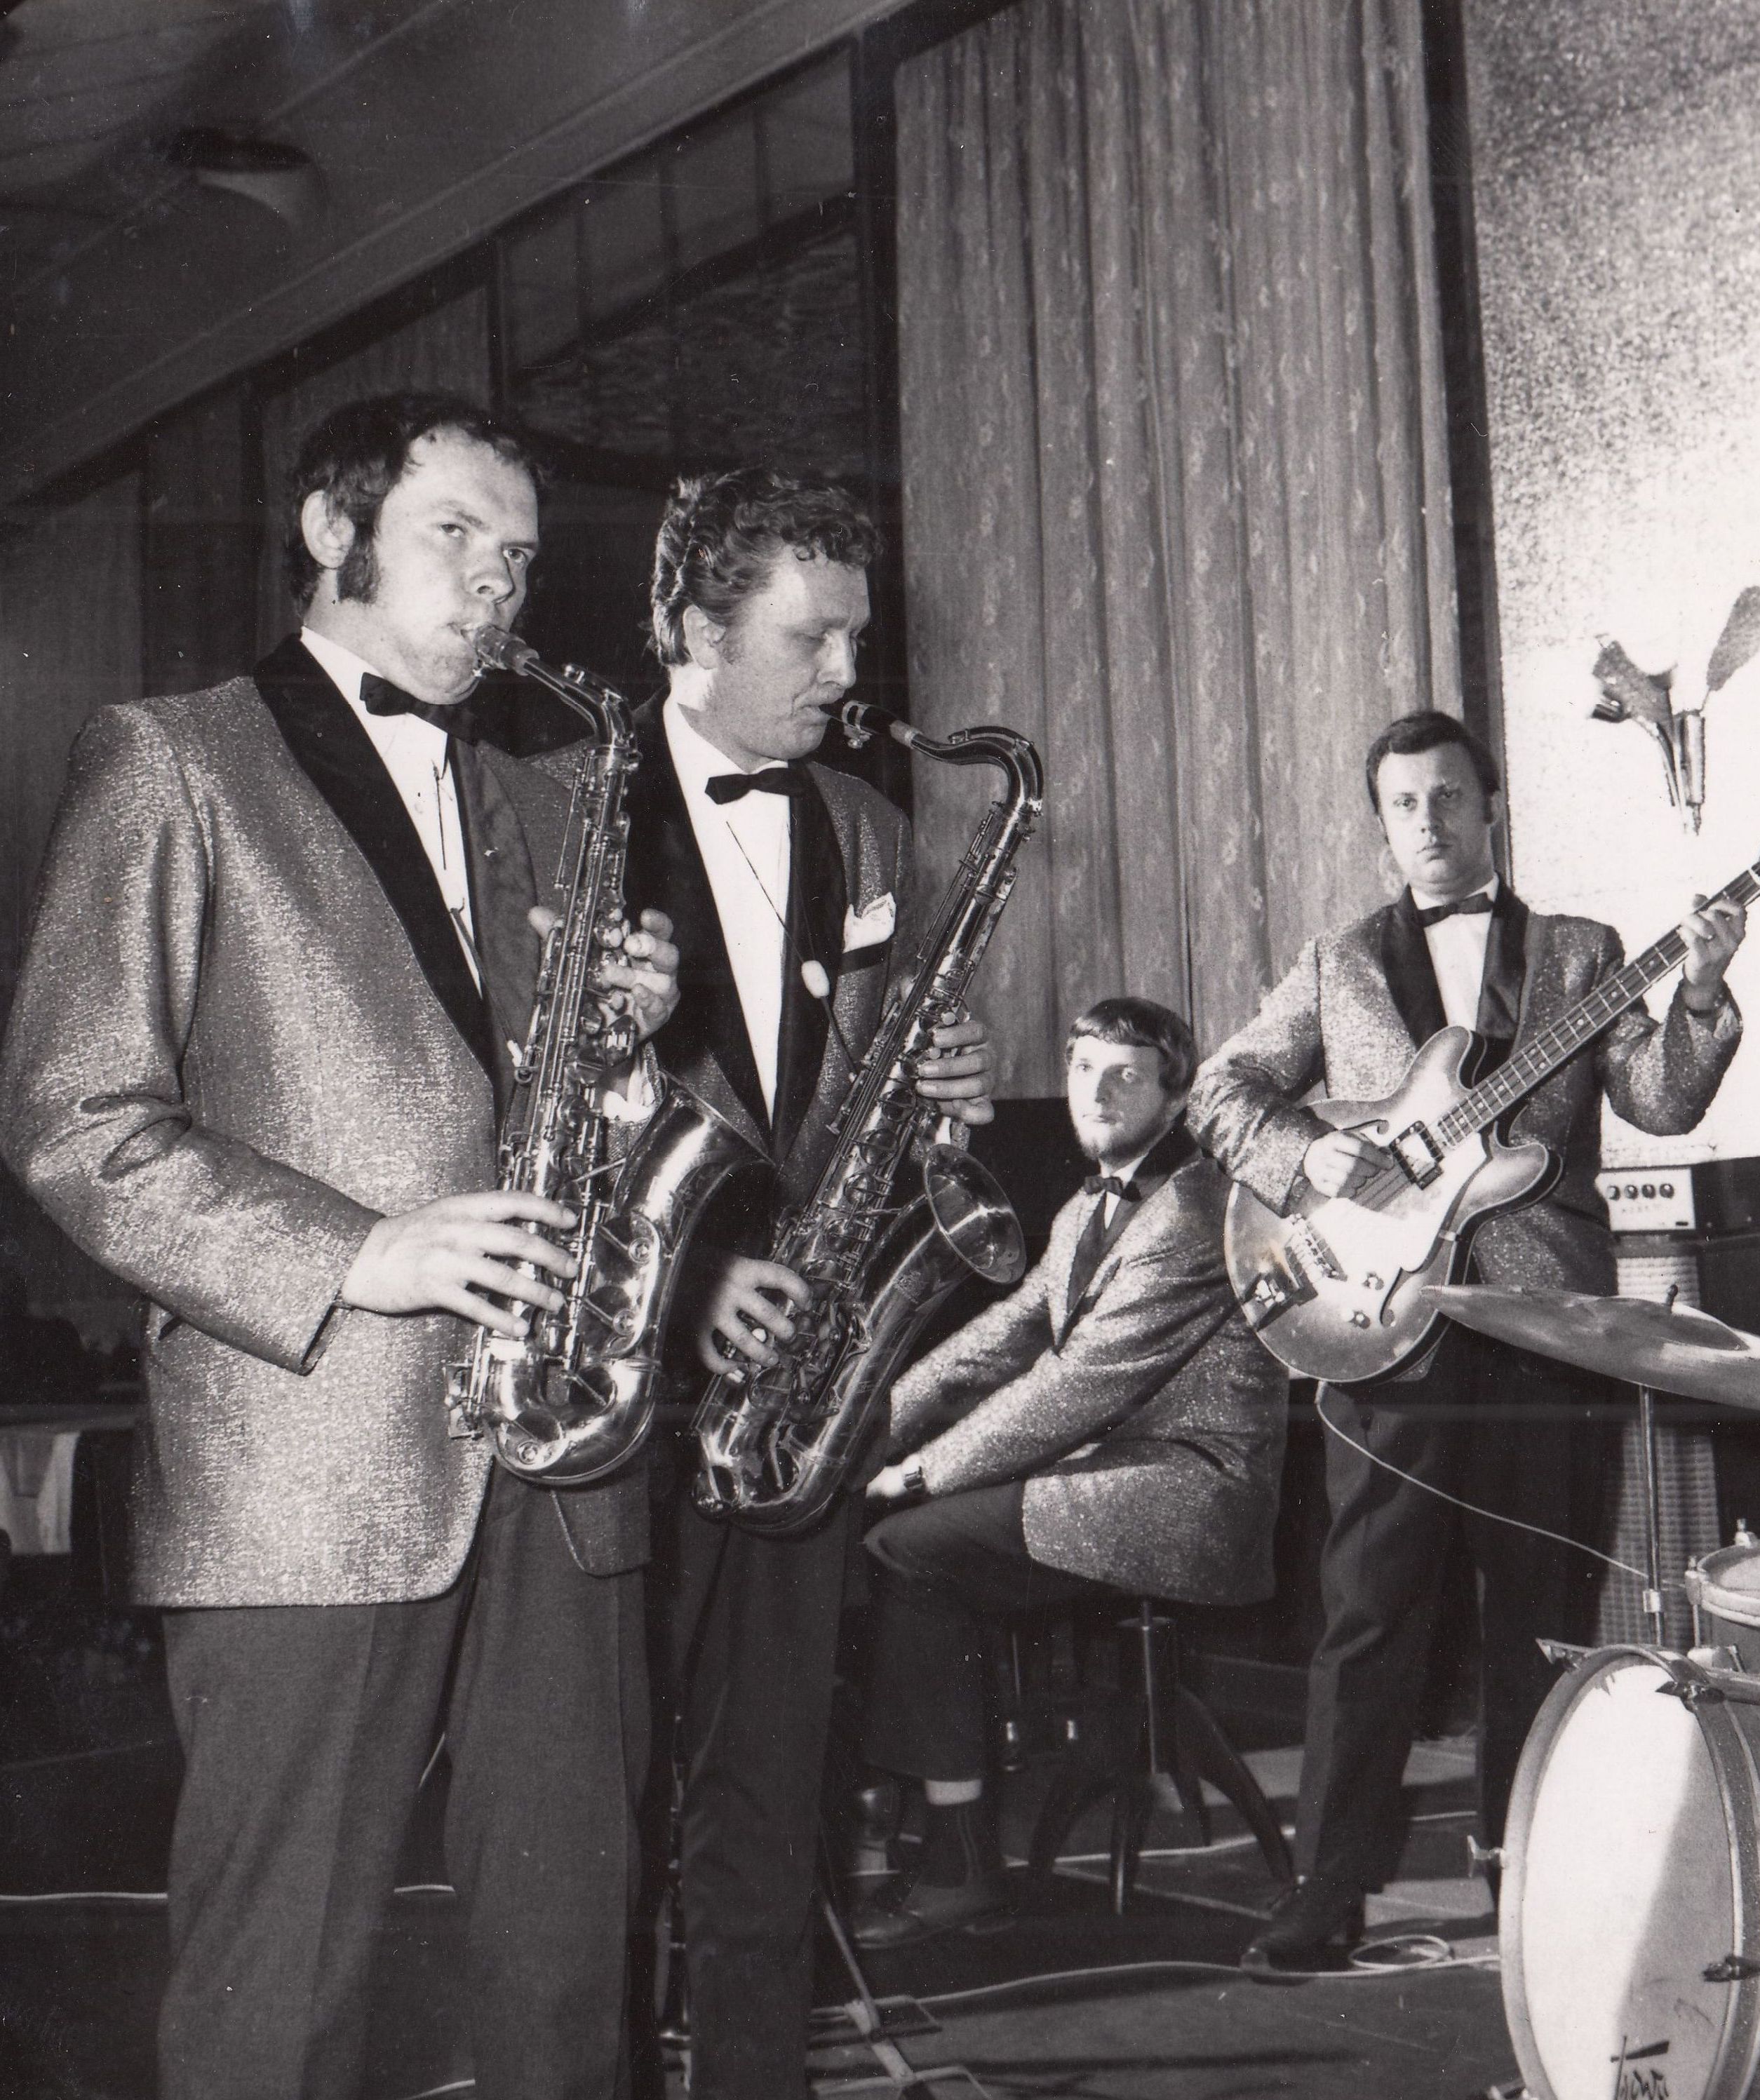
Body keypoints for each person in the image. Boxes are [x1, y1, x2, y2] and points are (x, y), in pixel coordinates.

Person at [0, 391, 681, 2100]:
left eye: (519, 554)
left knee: (570, 1977)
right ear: (330, 528)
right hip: (307, 1469)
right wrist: (357, 1254)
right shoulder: (169, 759)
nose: (497, 582)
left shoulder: (552, 795)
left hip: (560, 1459)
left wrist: (628, 1056)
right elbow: (75, 1121)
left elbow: (565, 1118)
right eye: (456, 534)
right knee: (279, 1999)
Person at [1185, 710, 1748, 1974]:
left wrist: (1702, 990)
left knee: (1538, 1614)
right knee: (1366, 1610)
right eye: (1402, 803)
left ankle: (1530, 1874)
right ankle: (1326, 1887)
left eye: (1448, 796)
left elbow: (1658, 1100)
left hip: (1544, 1323)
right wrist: (1313, 1154)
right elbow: (1221, 1089)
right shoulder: (1337, 961)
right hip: (1382, 1321)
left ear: (1491, 806)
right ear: (1380, 824)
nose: (1427, 822)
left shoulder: (1580, 950)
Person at [592, 467, 993, 2100]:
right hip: (621, 1382)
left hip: (801, 1382)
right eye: (810, 637)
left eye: (856, 637)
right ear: (696, 632)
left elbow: (868, 1092)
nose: (847, 671)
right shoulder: (559, 802)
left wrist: (946, 1098)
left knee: (768, 1794)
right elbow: (509, 1113)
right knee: (605, 1808)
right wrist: (689, 1281)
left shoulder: (863, 826)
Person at [846, 996, 1287, 1943]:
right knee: (890, 1535)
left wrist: (917, 1472)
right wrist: (860, 1428)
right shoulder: (1086, 1204)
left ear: (1176, 1097)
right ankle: (929, 1818)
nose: (1099, 1090)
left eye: (1128, 1074)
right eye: (1085, 1068)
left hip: (1192, 1487)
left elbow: (1075, 1383)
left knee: (907, 1550)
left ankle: (962, 1866)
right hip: (1117, 1468)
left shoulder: (1194, 1204)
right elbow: (994, 1341)